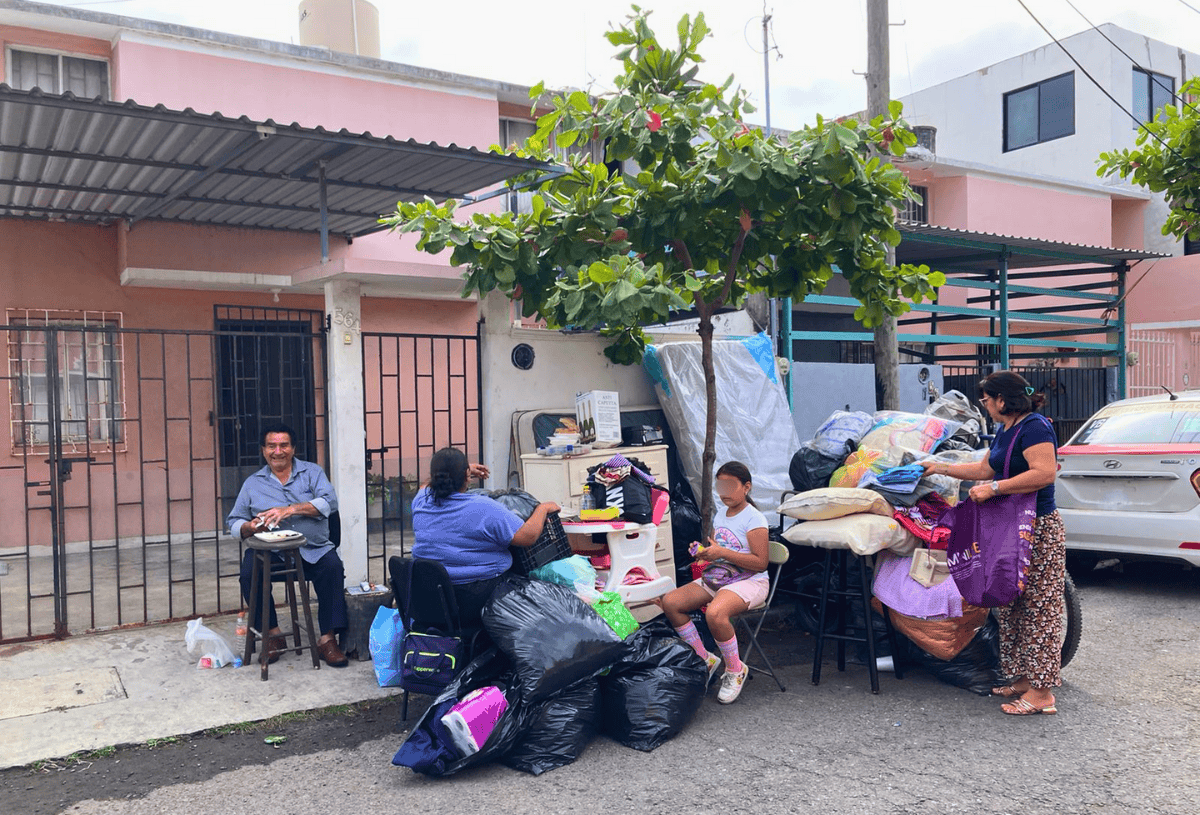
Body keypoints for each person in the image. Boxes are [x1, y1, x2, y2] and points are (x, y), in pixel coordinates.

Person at [920, 370, 1063, 715]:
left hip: (1037, 527)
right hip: (1010, 528)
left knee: (1040, 608)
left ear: (1002, 399)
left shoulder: (1035, 427)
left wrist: (997, 488)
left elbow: (1045, 472)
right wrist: (937, 468)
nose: (984, 405)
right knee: (1010, 601)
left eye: (985, 399)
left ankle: (1043, 693)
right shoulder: (1006, 429)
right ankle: (1024, 679)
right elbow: (985, 469)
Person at [230, 422, 348, 667]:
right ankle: (273, 634)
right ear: (264, 450)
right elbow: (234, 521)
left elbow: (330, 502)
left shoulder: (312, 473)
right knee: (249, 572)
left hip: (312, 548)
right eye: (272, 446)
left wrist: (291, 509)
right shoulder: (253, 483)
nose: (278, 451)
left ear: (293, 449)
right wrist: (250, 527)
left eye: (284, 445)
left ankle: (327, 639)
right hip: (271, 552)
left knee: (333, 568)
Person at [410, 447, 560, 626]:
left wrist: (462, 470)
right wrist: (542, 509)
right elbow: (528, 537)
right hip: (476, 596)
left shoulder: (421, 501)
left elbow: (424, 486)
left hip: (431, 597)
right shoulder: (483, 508)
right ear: (467, 476)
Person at [659, 461, 769, 705]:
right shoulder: (722, 514)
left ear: (746, 487)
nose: (724, 491)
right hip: (721, 575)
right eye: (721, 486)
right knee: (671, 602)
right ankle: (704, 660)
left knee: (716, 613)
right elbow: (722, 548)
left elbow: (761, 563)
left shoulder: (755, 519)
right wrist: (704, 552)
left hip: (751, 581)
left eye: (731, 485)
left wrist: (720, 554)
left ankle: (735, 669)